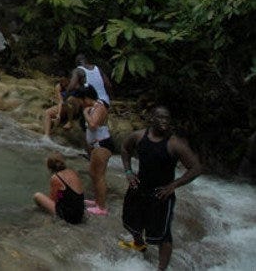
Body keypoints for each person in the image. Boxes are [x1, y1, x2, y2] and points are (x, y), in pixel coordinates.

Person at [120, 106, 202, 269]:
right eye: (160, 118)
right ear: (151, 118)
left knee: (163, 236)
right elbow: (124, 148)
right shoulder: (138, 136)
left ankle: (161, 268)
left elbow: (196, 168)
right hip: (139, 188)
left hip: (161, 195)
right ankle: (139, 243)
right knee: (130, 221)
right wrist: (128, 171)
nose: (164, 122)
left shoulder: (174, 144)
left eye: (167, 119)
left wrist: (174, 185)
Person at [76, 85, 115, 215]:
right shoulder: (94, 107)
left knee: (98, 175)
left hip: (102, 144)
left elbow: (93, 125)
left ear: (86, 98)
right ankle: (98, 201)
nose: (80, 103)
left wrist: (85, 113)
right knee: (93, 173)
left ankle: (102, 207)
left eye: (80, 100)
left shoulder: (99, 107)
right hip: (97, 144)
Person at [33, 152, 85, 224]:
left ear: (50, 167)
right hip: (80, 214)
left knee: (37, 196)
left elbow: (52, 199)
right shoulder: (72, 172)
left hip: (69, 217)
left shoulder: (56, 178)